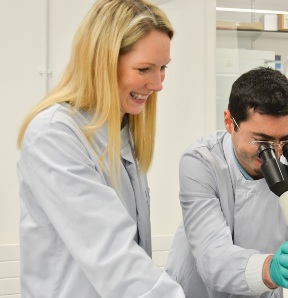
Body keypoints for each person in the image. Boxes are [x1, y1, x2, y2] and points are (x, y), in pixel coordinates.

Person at [16, 0, 185, 297]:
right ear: (101, 62)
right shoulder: (54, 134)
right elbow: (112, 254)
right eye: (144, 69)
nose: (158, 84)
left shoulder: (123, 129)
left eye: (163, 68)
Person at [166, 67, 288, 298]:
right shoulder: (202, 162)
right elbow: (212, 256)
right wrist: (272, 270)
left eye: (285, 140)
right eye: (261, 141)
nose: (274, 153)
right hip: (201, 291)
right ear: (229, 122)